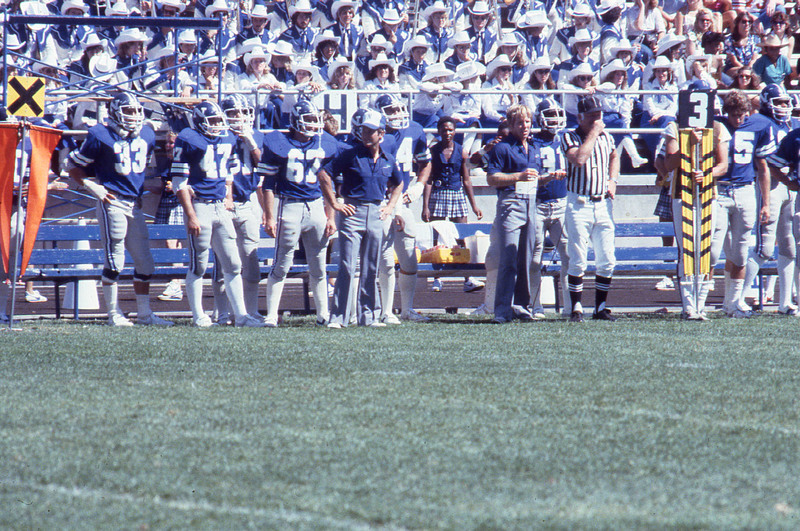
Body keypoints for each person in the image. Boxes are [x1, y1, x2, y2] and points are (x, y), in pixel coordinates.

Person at [67, 93, 173, 327]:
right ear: (115, 112)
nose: (134, 117)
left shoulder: (146, 134)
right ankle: (114, 313)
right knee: (115, 260)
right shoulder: (99, 134)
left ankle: (144, 314)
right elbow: (71, 165)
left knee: (145, 262)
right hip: (112, 201)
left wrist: (139, 191)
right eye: (128, 112)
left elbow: (136, 170)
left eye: (137, 112)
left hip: (134, 203)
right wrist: (93, 186)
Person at [171, 101, 267, 328]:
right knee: (199, 265)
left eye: (218, 120)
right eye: (212, 121)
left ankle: (241, 316)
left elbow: (229, 172)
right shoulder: (188, 138)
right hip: (201, 207)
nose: (217, 125)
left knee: (233, 264)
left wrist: (229, 198)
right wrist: (191, 215)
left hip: (220, 207)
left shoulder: (227, 138)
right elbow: (179, 182)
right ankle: (199, 316)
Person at [318, 109, 403, 328]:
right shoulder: (350, 153)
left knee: (371, 266)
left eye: (370, 131)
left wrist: (390, 206)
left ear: (381, 134)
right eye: (364, 129)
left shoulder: (388, 158)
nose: (365, 134)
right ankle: (338, 317)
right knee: (346, 265)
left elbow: (399, 183)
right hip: (352, 212)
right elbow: (324, 174)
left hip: (376, 213)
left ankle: (369, 316)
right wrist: (336, 203)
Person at [259, 99, 339, 327]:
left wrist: (331, 216)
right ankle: (272, 314)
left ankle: (323, 314)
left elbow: (328, 184)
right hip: (289, 205)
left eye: (316, 119)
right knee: (282, 263)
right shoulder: (278, 142)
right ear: (294, 120)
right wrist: (269, 215)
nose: (314, 124)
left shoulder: (326, 144)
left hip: (315, 206)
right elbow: (267, 185)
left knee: (318, 264)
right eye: (309, 119)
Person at [655, 82, 731, 319]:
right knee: (688, 248)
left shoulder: (718, 128)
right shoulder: (674, 127)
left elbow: (723, 165)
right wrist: (689, 145)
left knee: (707, 250)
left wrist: (707, 174)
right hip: (681, 194)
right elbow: (668, 164)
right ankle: (689, 306)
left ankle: (702, 303)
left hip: (709, 194)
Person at [486, 104, 563, 323]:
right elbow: (492, 179)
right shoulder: (502, 148)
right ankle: (501, 310)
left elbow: (532, 179)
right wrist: (518, 176)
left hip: (531, 202)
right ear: (511, 125)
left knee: (526, 260)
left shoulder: (533, 147)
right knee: (508, 259)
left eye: (528, 121)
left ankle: (522, 306)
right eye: (520, 122)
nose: (525, 126)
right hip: (510, 203)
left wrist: (549, 177)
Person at [373, 93, 433, 323]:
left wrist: (419, 185)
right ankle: (382, 310)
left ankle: (407, 309)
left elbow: (425, 162)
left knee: (409, 258)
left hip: (403, 201)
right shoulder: (374, 133)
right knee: (384, 260)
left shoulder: (415, 129)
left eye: (399, 109)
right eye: (391, 111)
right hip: (380, 202)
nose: (397, 115)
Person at [712, 90, 772, 317]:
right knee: (713, 249)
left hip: (745, 189)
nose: (739, 119)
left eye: (742, 114)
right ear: (726, 112)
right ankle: (699, 303)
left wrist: (765, 203)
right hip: (719, 189)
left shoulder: (758, 125)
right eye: (734, 114)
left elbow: (763, 168)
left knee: (740, 251)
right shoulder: (717, 125)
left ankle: (733, 303)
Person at [561, 95, 620, 322]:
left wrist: (613, 180)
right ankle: (576, 308)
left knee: (607, 258)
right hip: (579, 203)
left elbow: (614, 155)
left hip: (603, 203)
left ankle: (600, 308)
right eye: (593, 115)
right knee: (578, 258)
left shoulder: (607, 137)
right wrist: (594, 133)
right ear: (581, 117)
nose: (598, 119)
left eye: (599, 115)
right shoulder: (570, 136)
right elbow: (579, 159)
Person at [740, 84, 796, 314]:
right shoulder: (759, 122)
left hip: (790, 187)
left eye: (785, 102)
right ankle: (738, 298)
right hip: (770, 187)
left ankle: (785, 303)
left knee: (790, 247)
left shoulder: (790, 125)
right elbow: (763, 161)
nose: (783, 107)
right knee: (764, 248)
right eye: (778, 102)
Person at [212, 94, 266, 324]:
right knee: (223, 260)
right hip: (222, 203)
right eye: (233, 113)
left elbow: (264, 165)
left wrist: (250, 141)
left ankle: (250, 311)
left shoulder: (257, 137)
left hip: (248, 201)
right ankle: (222, 311)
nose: (239, 118)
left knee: (251, 262)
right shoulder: (216, 136)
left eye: (243, 113)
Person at [423, 116, 484, 294]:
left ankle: (467, 278)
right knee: (436, 237)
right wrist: (425, 206)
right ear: (439, 131)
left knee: (461, 235)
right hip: (438, 194)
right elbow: (429, 180)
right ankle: (436, 278)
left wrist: (474, 206)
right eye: (444, 130)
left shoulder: (462, 151)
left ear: (455, 131)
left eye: (450, 130)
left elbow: (466, 180)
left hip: (456, 194)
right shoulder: (433, 151)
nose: (447, 133)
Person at [530, 98, 570, 319]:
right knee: (535, 259)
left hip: (561, 204)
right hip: (537, 205)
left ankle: (569, 307)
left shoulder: (566, 140)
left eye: (557, 115)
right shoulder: (532, 142)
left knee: (568, 256)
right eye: (549, 115)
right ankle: (536, 306)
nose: (554, 120)